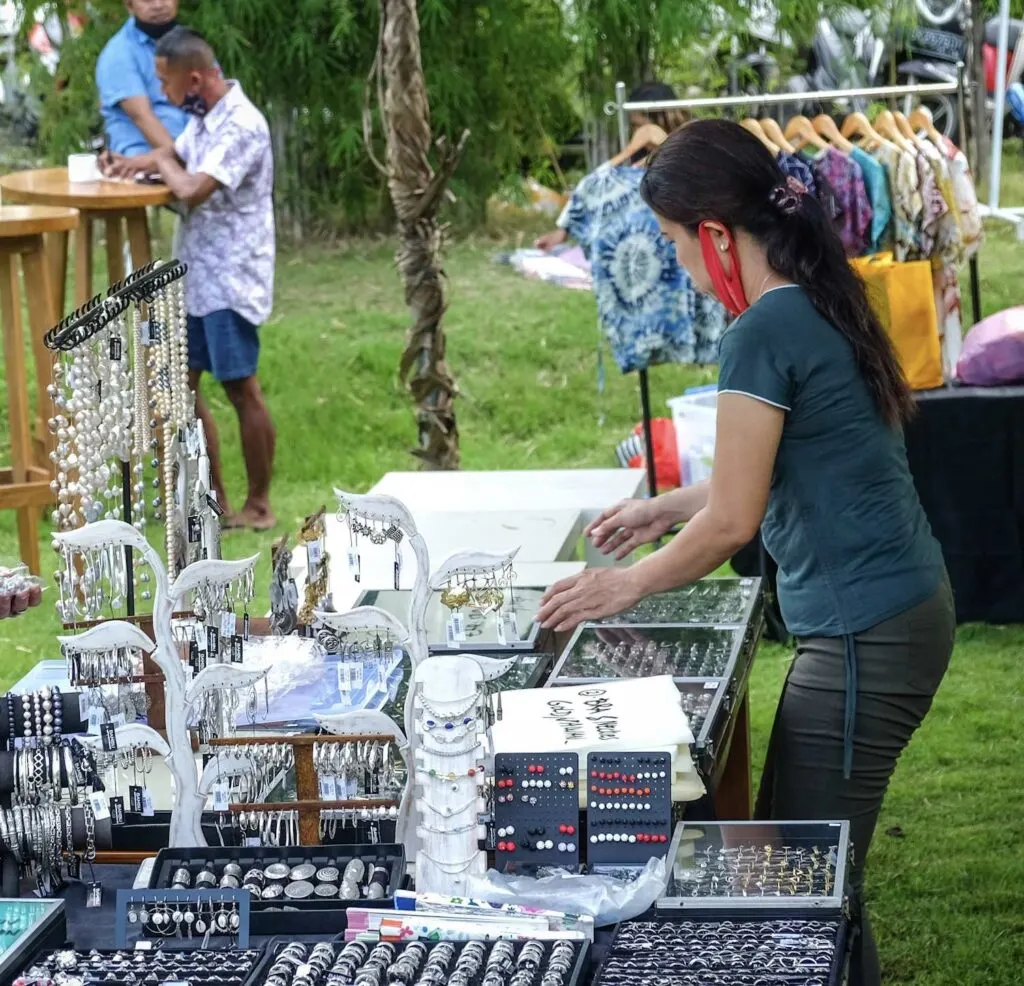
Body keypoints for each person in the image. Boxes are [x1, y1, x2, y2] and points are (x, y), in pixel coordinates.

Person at [537, 119, 955, 986]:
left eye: (676, 245)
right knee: (811, 875)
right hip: (893, 613)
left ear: (717, 236)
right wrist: (660, 511)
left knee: (793, 884)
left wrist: (625, 586)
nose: (683, 268)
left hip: (863, 635)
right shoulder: (815, 296)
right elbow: (759, 476)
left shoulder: (763, 330)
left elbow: (732, 522)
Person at [103, 26, 277, 530]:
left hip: (231, 277)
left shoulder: (242, 124)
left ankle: (260, 505)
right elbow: (176, 159)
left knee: (240, 387)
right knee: (181, 384)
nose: (163, 95)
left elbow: (193, 187)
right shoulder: (204, 121)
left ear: (196, 79)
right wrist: (129, 164)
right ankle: (215, 500)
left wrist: (160, 162)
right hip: (195, 275)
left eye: (168, 84)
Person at [534, 81, 688, 253]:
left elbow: (598, 179)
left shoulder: (685, 150)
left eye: (638, 125)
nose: (637, 132)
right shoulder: (653, 155)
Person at [95, 0, 188, 157]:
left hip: (194, 160)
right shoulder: (118, 53)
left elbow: (215, 99)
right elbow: (142, 118)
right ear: (129, 5)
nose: (158, 5)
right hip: (142, 164)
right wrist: (187, 162)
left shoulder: (191, 44)